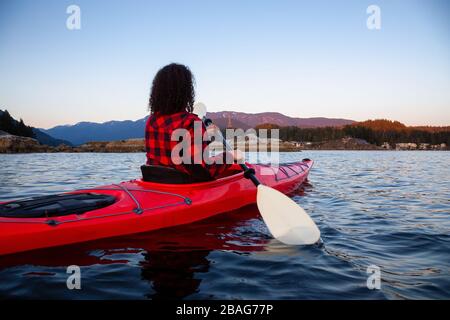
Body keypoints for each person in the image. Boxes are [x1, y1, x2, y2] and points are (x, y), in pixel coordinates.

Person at [145, 63, 241, 182]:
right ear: (186, 91)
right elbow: (204, 170)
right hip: (184, 189)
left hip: (155, 185)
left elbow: (175, 146)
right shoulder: (191, 122)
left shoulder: (152, 121)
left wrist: (205, 136)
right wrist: (230, 156)